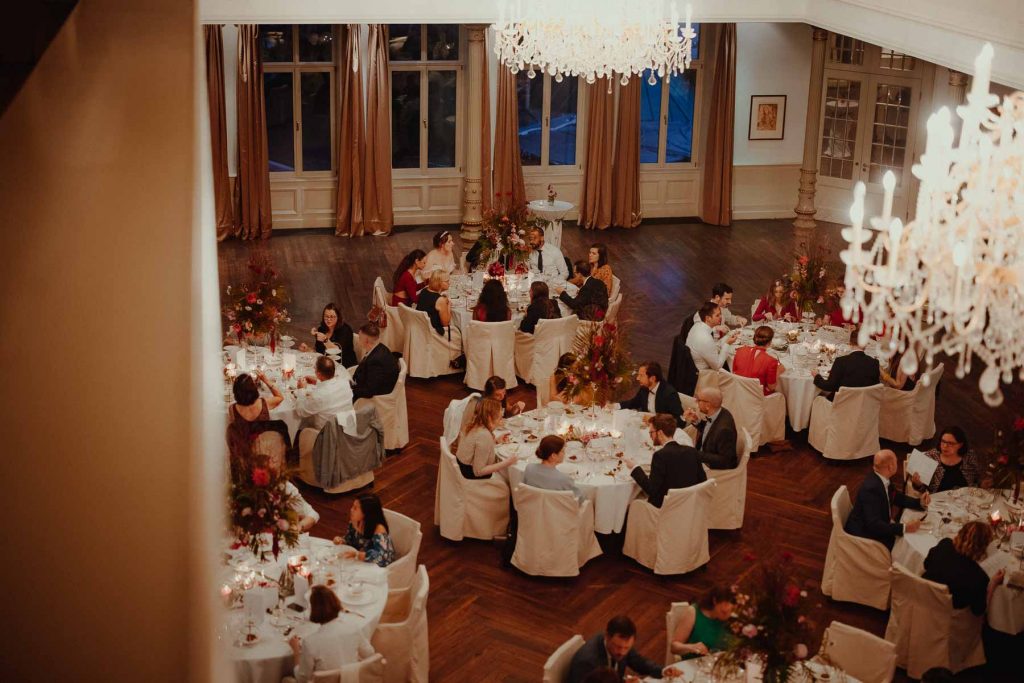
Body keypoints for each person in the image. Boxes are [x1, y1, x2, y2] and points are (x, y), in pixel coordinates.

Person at [288, 585, 375, 683]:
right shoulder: (353, 627)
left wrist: (296, 652)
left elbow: (302, 679)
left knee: (286, 680)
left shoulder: (310, 642)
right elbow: (369, 654)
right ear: (336, 602)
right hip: (352, 679)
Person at [845, 449, 929, 549]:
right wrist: (905, 527)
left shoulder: (881, 477)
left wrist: (919, 503)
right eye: (896, 462)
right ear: (890, 467)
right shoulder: (871, 489)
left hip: (877, 525)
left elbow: (896, 496)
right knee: (906, 545)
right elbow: (873, 525)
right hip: (864, 535)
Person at [624, 414, 706, 508]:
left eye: (651, 432)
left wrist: (634, 468)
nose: (650, 436)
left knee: (630, 505)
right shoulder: (692, 451)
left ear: (659, 433)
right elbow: (703, 481)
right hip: (689, 506)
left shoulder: (660, 456)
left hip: (664, 509)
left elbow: (651, 490)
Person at [924, 521, 1005, 616]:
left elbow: (926, 564)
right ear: (983, 548)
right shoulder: (978, 576)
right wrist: (993, 583)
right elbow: (978, 611)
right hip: (946, 615)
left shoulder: (944, 544)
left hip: (921, 598)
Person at [567, 616, 675, 683]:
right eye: (618, 647)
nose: (622, 652)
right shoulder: (588, 663)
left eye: (627, 648)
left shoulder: (620, 646)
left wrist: (663, 671)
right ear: (607, 637)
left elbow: (639, 662)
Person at [455, 398, 519, 479]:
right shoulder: (484, 435)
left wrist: (496, 441)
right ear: (489, 418)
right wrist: (507, 462)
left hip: (462, 468)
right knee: (507, 481)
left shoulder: (474, 424)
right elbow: (478, 471)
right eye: (499, 417)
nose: (501, 419)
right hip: (470, 477)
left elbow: (478, 447)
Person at [669, 585, 735, 660]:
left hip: (724, 663)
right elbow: (674, 647)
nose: (728, 616)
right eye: (724, 612)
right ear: (715, 601)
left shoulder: (735, 617)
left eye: (731, 611)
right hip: (696, 663)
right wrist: (691, 647)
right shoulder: (694, 612)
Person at [812, 327, 881, 397]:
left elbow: (829, 386)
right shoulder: (874, 363)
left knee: (818, 397)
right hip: (864, 405)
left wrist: (817, 376)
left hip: (841, 405)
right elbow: (875, 390)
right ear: (866, 344)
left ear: (850, 343)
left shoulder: (841, 362)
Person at [909, 426, 980, 493]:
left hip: (964, 501)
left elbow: (976, 481)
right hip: (938, 502)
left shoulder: (969, 457)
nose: (945, 446)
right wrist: (918, 484)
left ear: (960, 445)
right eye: (943, 441)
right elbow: (923, 490)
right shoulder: (931, 457)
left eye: (950, 443)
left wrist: (982, 484)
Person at [683, 388, 738, 470]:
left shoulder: (724, 430)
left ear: (708, 406)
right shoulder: (720, 412)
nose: (696, 402)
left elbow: (725, 460)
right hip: (704, 456)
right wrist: (697, 421)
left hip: (713, 469)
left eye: (699, 400)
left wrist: (696, 454)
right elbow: (711, 432)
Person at [335, 493, 396, 567]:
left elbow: (384, 558)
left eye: (355, 508)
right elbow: (349, 540)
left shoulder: (378, 529)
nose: (351, 510)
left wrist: (358, 555)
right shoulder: (355, 522)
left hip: (376, 569)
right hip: (360, 564)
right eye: (352, 506)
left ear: (366, 513)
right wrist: (342, 541)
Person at [294, 356, 354, 431]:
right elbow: (331, 389)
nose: (314, 369)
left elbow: (301, 411)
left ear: (318, 374)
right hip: (347, 428)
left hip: (328, 434)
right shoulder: (344, 382)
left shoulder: (318, 395)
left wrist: (301, 389)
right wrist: (317, 381)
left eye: (315, 368)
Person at [617, 362, 684, 428]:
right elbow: (634, 402)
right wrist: (616, 406)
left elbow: (679, 421)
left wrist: (655, 419)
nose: (637, 378)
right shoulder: (644, 388)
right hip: (647, 426)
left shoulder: (669, 394)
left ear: (652, 378)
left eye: (641, 375)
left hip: (661, 430)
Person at [522, 435, 584, 501]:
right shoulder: (564, 479)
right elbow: (580, 500)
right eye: (562, 451)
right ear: (553, 456)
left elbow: (524, 491)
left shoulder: (529, 468)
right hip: (555, 510)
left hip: (532, 508)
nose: (564, 453)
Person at [351, 323, 400, 400]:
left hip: (376, 395)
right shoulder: (380, 347)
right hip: (370, 383)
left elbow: (369, 391)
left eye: (359, 337)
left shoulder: (375, 361)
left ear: (366, 340)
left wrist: (351, 390)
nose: (358, 340)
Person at [731, 325, 784, 395]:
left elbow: (734, 371)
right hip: (757, 397)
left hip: (738, 392)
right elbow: (772, 387)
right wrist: (779, 370)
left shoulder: (739, 351)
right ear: (770, 342)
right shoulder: (771, 361)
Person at [686, 302, 739, 372]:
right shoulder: (705, 339)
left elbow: (711, 347)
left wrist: (726, 338)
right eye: (717, 315)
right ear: (708, 318)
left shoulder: (697, 325)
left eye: (720, 314)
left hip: (693, 366)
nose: (721, 317)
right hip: (704, 374)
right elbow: (717, 366)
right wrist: (727, 343)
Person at [300, 303, 357, 367]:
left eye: (332, 317)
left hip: (344, 366)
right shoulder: (322, 329)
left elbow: (337, 351)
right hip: (326, 365)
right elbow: (320, 352)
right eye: (326, 316)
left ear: (338, 317)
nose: (328, 319)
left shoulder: (345, 330)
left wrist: (325, 340)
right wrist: (308, 350)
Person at [416, 270, 460, 344]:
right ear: (439, 283)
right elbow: (445, 323)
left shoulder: (424, 291)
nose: (449, 283)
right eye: (447, 281)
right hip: (434, 333)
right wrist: (448, 305)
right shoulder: (440, 300)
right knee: (460, 331)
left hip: (421, 328)